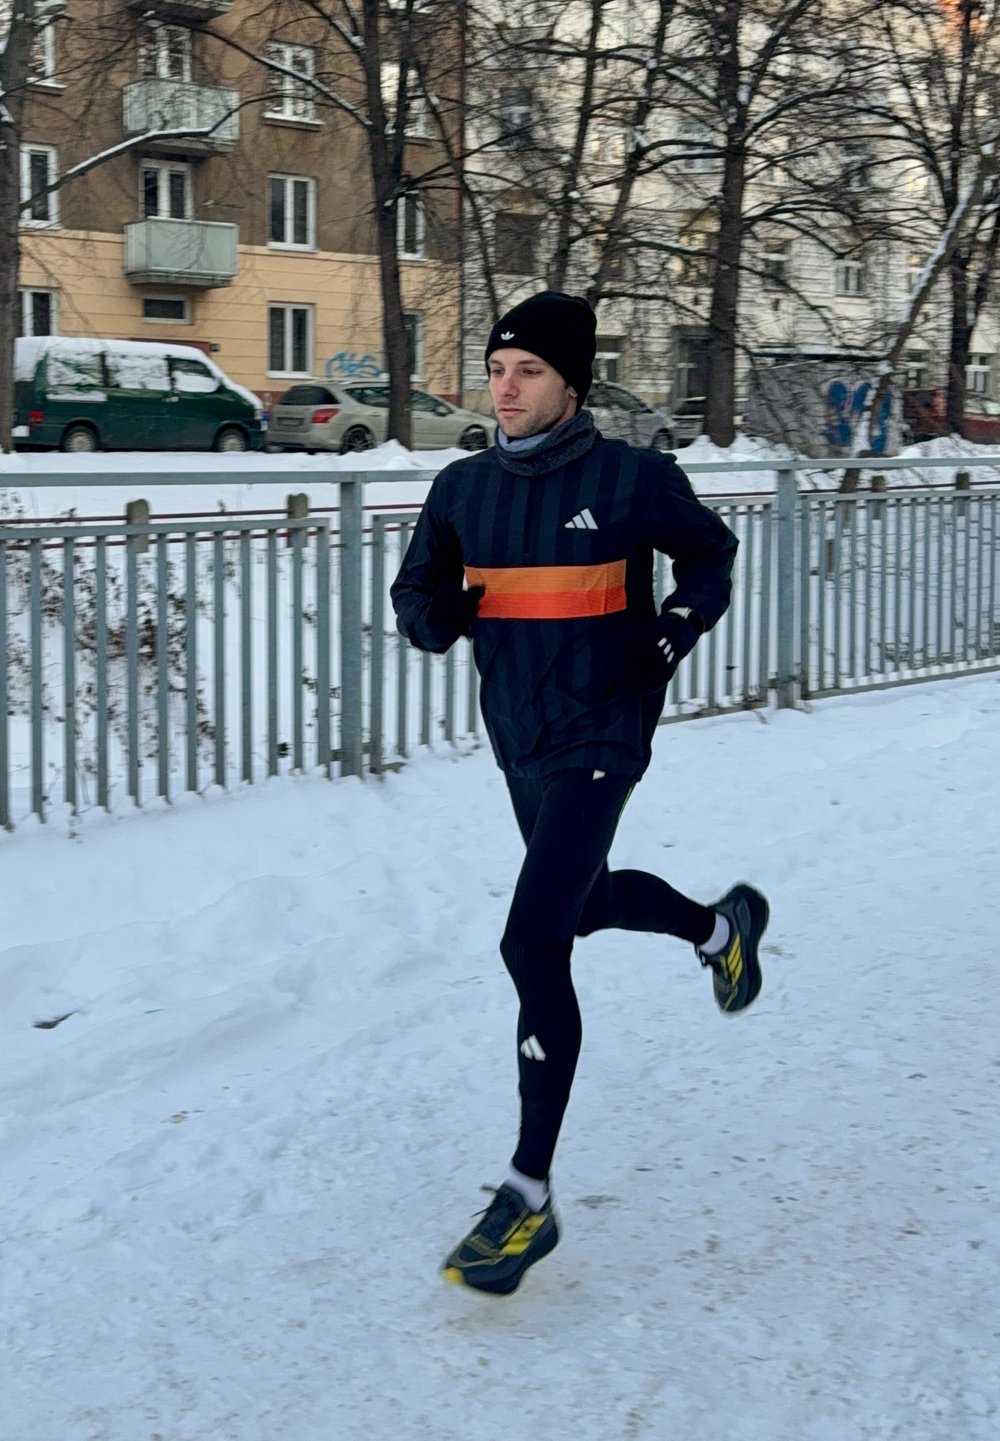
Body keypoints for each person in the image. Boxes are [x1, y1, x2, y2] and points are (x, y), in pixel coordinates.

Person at [390, 290, 769, 1297]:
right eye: (497, 370)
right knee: (585, 904)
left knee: (530, 939)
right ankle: (717, 930)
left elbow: (710, 555)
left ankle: (526, 1193)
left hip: (602, 730)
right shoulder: (463, 486)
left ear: (570, 384)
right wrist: (440, 616)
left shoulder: (631, 477)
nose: (505, 388)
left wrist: (671, 631)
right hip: (518, 732)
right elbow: (413, 598)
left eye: (528, 373)